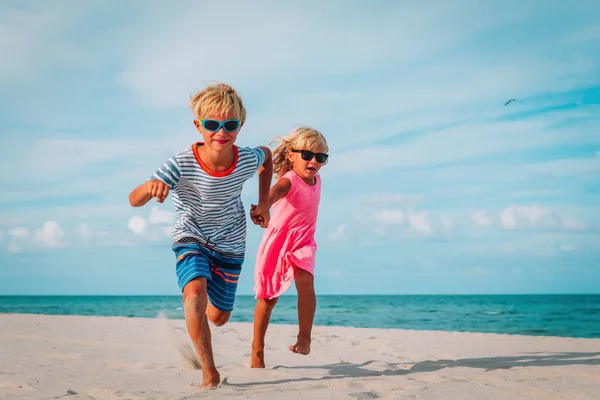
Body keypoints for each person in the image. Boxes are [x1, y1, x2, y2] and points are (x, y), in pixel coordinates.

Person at [128, 82, 272, 388]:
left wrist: (264, 203)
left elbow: (268, 157)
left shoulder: (246, 158)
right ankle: (210, 372)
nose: (221, 131)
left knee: (219, 317)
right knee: (194, 293)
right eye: (211, 124)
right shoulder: (181, 162)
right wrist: (149, 188)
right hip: (190, 235)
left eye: (230, 124)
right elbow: (133, 199)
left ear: (240, 126)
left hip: (231, 241)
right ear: (198, 126)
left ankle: (203, 314)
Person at [248, 126, 329, 368]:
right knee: (268, 299)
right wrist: (264, 205)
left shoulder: (317, 181)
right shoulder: (289, 180)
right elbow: (273, 194)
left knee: (306, 281)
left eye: (321, 157)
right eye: (307, 155)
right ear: (292, 155)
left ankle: (305, 335)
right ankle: (257, 349)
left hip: (303, 242)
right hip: (278, 243)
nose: (313, 161)